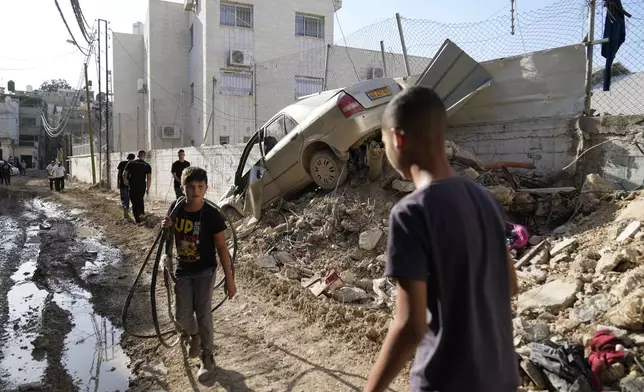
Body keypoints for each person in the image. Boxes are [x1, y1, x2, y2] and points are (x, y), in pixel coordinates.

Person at [364, 86, 519, 392]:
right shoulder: (485, 200)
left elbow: (411, 325)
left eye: (384, 144)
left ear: (397, 139)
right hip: (501, 378)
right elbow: (511, 284)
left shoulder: (410, 213)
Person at [161, 166, 236, 381]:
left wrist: (229, 281)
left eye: (200, 187)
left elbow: (222, 248)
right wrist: (165, 226)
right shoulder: (176, 210)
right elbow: (167, 235)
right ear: (183, 188)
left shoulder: (212, 215)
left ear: (206, 188)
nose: (195, 191)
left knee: (204, 314)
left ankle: (207, 356)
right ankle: (193, 335)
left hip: (205, 271)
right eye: (190, 187)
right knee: (181, 316)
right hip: (183, 270)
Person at [123, 150, 152, 224]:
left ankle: (137, 220)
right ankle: (141, 216)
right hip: (142, 187)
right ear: (144, 156)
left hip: (132, 186)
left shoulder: (131, 163)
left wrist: (125, 180)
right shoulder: (147, 165)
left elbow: (124, 173)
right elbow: (149, 178)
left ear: (138, 156)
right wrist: (148, 189)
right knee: (140, 201)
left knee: (134, 203)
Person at [117, 153, 136, 219]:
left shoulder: (121, 163)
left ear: (127, 157)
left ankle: (125, 207)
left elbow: (119, 174)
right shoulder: (134, 164)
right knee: (129, 197)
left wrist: (118, 182)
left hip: (122, 183)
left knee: (123, 197)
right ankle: (128, 209)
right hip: (131, 184)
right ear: (134, 158)